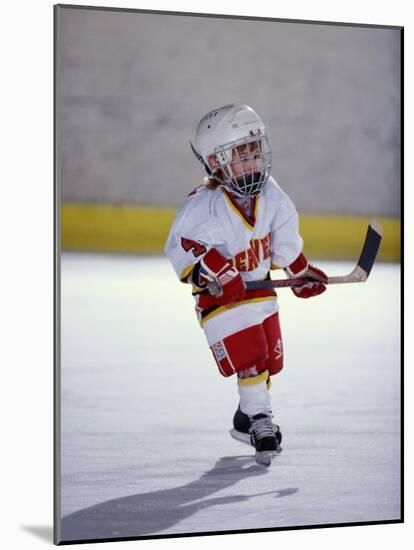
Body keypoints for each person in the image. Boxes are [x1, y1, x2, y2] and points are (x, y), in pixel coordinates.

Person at [164, 104, 327, 465]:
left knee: (269, 359)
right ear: (216, 161)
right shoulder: (204, 205)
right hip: (221, 302)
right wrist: (216, 271)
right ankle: (259, 419)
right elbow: (181, 245)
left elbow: (283, 239)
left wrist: (298, 273)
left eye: (255, 151)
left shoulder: (270, 194)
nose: (253, 160)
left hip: (259, 292)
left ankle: (244, 416)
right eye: (242, 154)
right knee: (251, 357)